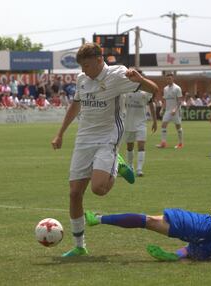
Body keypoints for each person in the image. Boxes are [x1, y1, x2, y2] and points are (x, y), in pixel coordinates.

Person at [51, 42, 159, 257]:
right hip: (84, 138)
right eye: (81, 66)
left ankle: (116, 165)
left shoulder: (118, 75)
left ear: (100, 60)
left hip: (108, 137)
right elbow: (75, 105)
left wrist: (141, 80)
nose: (83, 71)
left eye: (87, 66)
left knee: (98, 189)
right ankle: (80, 246)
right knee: (74, 193)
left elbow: (155, 90)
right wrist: (60, 133)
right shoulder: (83, 79)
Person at [124, 75, 158, 177]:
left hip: (141, 123)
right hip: (128, 123)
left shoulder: (146, 92)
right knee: (130, 147)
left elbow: (151, 105)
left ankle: (139, 169)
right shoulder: (126, 91)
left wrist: (155, 121)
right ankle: (130, 166)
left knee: (141, 145)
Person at [156, 73, 184, 149]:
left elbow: (179, 101)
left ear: (173, 79)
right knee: (163, 125)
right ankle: (163, 143)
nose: (169, 80)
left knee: (178, 126)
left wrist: (175, 109)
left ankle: (180, 143)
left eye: (170, 78)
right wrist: (162, 109)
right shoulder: (165, 89)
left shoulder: (177, 88)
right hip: (168, 111)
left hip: (176, 111)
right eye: (167, 79)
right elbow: (164, 100)